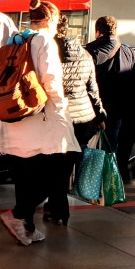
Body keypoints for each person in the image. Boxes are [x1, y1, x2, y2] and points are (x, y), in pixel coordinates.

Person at [0, 0, 80, 245]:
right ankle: (18, 214)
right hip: (41, 118)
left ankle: (27, 228)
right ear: (49, 20)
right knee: (62, 166)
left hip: (14, 116)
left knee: (25, 175)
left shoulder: (14, 39)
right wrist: (61, 105)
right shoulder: (44, 41)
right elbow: (52, 82)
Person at [45, 13, 105, 224]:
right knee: (67, 164)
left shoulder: (48, 55)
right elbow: (93, 89)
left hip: (57, 116)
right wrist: (100, 115)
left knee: (54, 164)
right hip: (82, 118)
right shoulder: (86, 55)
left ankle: (56, 206)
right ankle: (59, 207)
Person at [85, 15, 135, 179]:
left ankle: (88, 184)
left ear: (97, 32)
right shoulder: (128, 51)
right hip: (120, 111)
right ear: (115, 31)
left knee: (88, 148)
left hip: (93, 110)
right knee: (109, 149)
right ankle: (107, 185)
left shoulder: (89, 50)